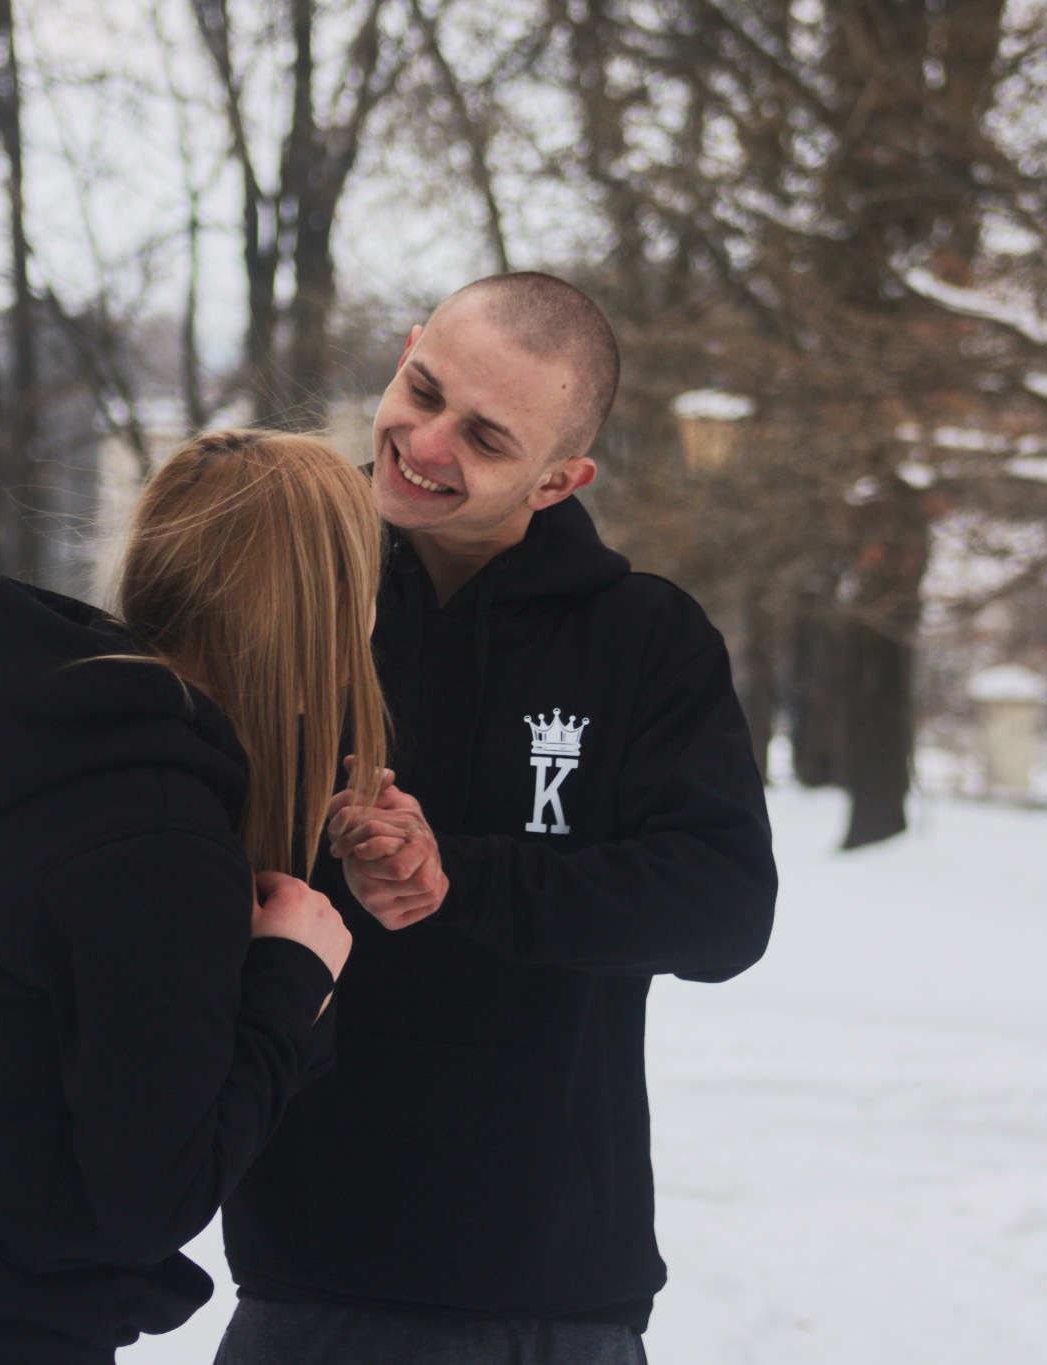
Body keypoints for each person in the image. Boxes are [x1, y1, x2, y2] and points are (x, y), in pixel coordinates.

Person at [216, 273, 780, 1364]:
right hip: (300, 1267)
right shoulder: (279, 594)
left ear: (559, 479)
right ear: (405, 350)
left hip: (551, 1298)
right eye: (423, 391)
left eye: (484, 436)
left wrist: (458, 877)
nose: (425, 444)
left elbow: (723, 911)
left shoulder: (645, 640)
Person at [0, 430, 388, 1364]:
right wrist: (291, 979)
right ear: (314, 612)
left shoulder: (75, 754)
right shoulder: (159, 842)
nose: (372, 623)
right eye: (366, 588)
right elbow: (155, 1196)